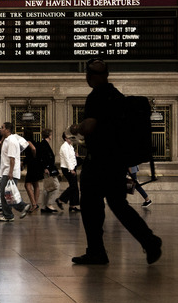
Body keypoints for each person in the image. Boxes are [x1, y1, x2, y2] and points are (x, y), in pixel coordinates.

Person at [68, 59, 162, 264]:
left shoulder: (96, 96)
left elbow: (91, 126)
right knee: (119, 204)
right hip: (117, 162)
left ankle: (96, 251)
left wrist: (78, 128)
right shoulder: (118, 97)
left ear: (88, 77)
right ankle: (149, 240)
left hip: (99, 162)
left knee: (91, 206)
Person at [0, 122, 30, 222]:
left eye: (2, 128)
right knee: (7, 194)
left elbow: (12, 158)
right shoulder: (8, 140)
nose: (0, 129)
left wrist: (10, 172)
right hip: (6, 171)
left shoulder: (11, 141)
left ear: (7, 130)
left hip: (9, 172)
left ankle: (20, 208)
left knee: (6, 194)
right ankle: (9, 214)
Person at [55, 132, 80, 212]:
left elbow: (71, 157)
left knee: (75, 187)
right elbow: (67, 159)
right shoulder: (64, 147)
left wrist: (75, 156)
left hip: (72, 167)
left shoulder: (70, 146)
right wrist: (71, 169)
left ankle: (72, 206)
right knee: (73, 186)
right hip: (67, 169)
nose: (71, 138)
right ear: (65, 138)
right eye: (69, 137)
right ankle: (60, 199)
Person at [38, 129, 59, 213]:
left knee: (47, 188)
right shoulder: (44, 144)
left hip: (48, 169)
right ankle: (49, 204)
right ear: (49, 135)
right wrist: (45, 168)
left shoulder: (44, 144)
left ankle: (44, 206)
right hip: (48, 169)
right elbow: (42, 157)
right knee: (55, 186)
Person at [22, 128, 42, 212]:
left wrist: (34, 156)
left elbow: (33, 149)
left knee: (27, 185)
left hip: (32, 165)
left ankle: (34, 204)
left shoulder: (28, 142)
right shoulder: (35, 142)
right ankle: (35, 204)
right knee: (35, 184)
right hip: (36, 165)